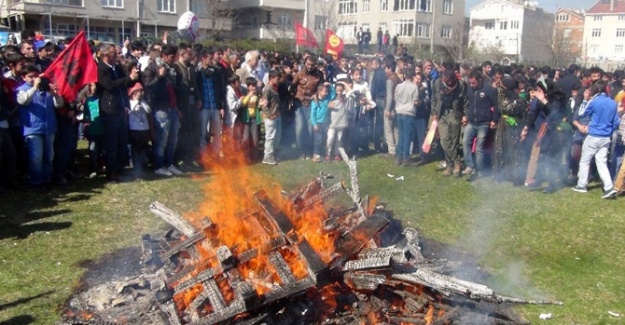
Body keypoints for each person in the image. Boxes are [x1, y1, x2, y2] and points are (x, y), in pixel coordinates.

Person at [96, 42, 140, 183]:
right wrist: (128, 79)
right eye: (113, 53)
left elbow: (126, 83)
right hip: (110, 110)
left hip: (121, 109)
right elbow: (110, 85)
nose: (117, 56)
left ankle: (120, 169)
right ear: (104, 55)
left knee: (122, 141)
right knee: (111, 143)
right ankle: (111, 172)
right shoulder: (102, 69)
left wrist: (133, 78)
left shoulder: (117, 68)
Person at [17, 65, 64, 191]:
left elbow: (59, 105)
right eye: (30, 77)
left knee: (49, 156)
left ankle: (47, 180)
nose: (33, 79)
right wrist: (34, 88)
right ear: (23, 77)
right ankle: (36, 182)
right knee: (36, 156)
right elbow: (23, 101)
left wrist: (55, 94)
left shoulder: (46, 89)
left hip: (49, 127)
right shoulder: (22, 89)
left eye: (35, 76)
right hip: (33, 128)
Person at [572, 82, 620, 199]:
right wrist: (608, 130)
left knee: (585, 160)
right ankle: (609, 187)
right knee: (601, 162)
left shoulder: (594, 102)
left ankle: (581, 185)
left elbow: (581, 113)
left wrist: (584, 100)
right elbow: (616, 122)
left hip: (593, 135)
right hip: (605, 137)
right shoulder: (613, 103)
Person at [142, 44, 183, 176]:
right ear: (164, 56)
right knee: (161, 141)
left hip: (173, 108)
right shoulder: (151, 68)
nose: (174, 59)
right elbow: (148, 88)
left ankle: (169, 164)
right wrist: (159, 77)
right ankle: (159, 166)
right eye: (172, 57)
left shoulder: (172, 69)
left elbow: (176, 89)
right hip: (161, 110)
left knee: (173, 140)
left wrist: (178, 107)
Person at [462, 69, 499, 179]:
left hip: (484, 123)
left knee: (479, 148)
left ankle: (480, 170)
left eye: (474, 83)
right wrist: (466, 115)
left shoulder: (489, 90)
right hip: (472, 122)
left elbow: (496, 106)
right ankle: (469, 165)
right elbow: (467, 104)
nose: (472, 85)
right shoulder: (469, 89)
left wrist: (494, 120)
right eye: (470, 83)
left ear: (479, 80)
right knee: (465, 142)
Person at [492, 77, 528, 185]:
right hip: (501, 125)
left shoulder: (520, 100)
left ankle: (516, 176)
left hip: (514, 126)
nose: (500, 88)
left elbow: (523, 116)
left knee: (514, 150)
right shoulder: (500, 97)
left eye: (502, 86)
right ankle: (499, 174)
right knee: (499, 149)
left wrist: (523, 128)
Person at [431, 69, 466, 177]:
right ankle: (456, 162)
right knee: (444, 140)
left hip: (455, 114)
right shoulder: (437, 83)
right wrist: (434, 112)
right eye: (446, 80)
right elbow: (433, 99)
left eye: (450, 81)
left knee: (454, 141)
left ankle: (450, 166)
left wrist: (465, 115)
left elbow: (465, 101)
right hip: (442, 114)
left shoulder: (460, 85)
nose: (448, 83)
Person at [290, 55, 324, 160]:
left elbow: (321, 88)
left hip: (312, 105)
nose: (309, 66)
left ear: (315, 65)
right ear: (305, 63)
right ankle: (301, 151)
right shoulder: (299, 74)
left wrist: (318, 95)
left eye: (312, 65)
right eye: (308, 64)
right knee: (300, 129)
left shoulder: (319, 75)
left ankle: (309, 150)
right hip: (299, 104)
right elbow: (292, 87)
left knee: (310, 130)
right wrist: (290, 99)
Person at [197, 48, 226, 157]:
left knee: (217, 132)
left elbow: (220, 89)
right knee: (203, 132)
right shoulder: (198, 72)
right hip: (204, 106)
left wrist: (221, 105)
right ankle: (203, 154)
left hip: (214, 105)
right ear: (204, 59)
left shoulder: (216, 72)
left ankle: (216, 152)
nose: (212, 60)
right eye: (209, 58)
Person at [127, 82, 153, 178]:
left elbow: (148, 110)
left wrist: (142, 102)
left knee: (143, 148)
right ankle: (136, 167)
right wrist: (136, 102)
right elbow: (130, 110)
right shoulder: (130, 102)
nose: (142, 93)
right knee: (135, 149)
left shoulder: (144, 102)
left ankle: (142, 166)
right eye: (140, 91)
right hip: (134, 128)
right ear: (134, 92)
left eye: (142, 91)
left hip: (144, 128)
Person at [394, 69, 419, 166]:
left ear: (404, 75)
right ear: (413, 76)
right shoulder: (414, 87)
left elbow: (395, 97)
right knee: (407, 136)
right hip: (409, 112)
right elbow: (415, 101)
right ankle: (406, 158)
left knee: (401, 135)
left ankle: (399, 157)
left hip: (399, 111)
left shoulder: (399, 86)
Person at [259, 69, 281, 165]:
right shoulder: (267, 89)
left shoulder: (275, 87)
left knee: (276, 136)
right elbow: (263, 105)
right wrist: (269, 115)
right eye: (277, 79)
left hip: (276, 115)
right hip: (271, 117)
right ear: (271, 78)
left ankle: (272, 153)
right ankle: (267, 156)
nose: (279, 80)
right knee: (270, 137)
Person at [327, 82, 354, 160]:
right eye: (337, 90)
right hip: (332, 123)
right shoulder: (331, 98)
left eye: (341, 91)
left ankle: (336, 154)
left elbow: (351, 92)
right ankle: (328, 153)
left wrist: (343, 83)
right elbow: (326, 108)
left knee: (339, 139)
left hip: (341, 122)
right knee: (330, 138)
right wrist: (328, 107)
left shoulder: (345, 99)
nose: (339, 93)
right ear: (335, 90)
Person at [241, 77, 262, 161]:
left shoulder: (257, 96)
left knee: (255, 139)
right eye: (252, 86)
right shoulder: (244, 94)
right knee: (245, 139)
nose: (254, 87)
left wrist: (261, 104)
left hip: (254, 119)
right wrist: (248, 96)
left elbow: (259, 107)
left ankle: (255, 156)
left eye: (255, 86)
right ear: (248, 86)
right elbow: (242, 104)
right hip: (246, 120)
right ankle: (245, 157)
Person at [311, 83, 332, 162]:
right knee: (318, 139)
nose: (326, 93)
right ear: (319, 91)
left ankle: (321, 153)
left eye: (327, 92)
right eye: (325, 92)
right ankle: (315, 154)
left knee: (323, 139)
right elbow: (312, 115)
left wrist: (330, 85)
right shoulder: (315, 102)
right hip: (318, 123)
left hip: (325, 123)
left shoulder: (327, 100)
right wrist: (314, 124)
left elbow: (333, 93)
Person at [384, 60, 401, 156]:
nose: (385, 70)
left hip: (391, 108)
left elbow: (390, 95)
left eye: (386, 68)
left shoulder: (390, 80)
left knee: (388, 129)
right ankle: (398, 148)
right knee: (395, 129)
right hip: (397, 107)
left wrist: (387, 109)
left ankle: (391, 150)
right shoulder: (398, 78)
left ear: (390, 68)